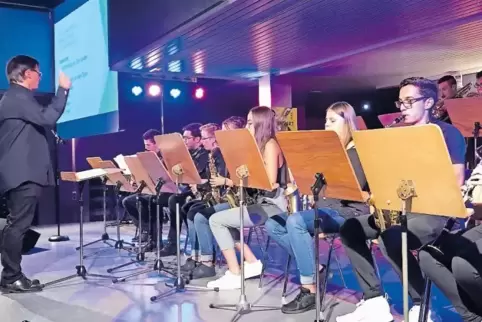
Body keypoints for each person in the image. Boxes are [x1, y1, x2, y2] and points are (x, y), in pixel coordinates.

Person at [336, 77, 466, 322]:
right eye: (400, 102)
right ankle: (374, 299)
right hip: (398, 209)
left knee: (391, 237)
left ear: (428, 102)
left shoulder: (448, 133)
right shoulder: (395, 134)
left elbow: (456, 180)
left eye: (409, 101)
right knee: (350, 228)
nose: (402, 107)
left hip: (434, 212)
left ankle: (421, 304)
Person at [265, 102, 369, 314]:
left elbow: (349, 189)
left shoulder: (357, 151)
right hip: (325, 208)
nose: (326, 125)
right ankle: (316, 269)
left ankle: (310, 289)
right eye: (325, 120)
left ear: (347, 122)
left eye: (332, 121)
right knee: (273, 224)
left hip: (348, 212)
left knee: (295, 221)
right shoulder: (327, 150)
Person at [0, 55, 71, 292]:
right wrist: (63, 90)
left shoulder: (14, 98)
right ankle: (11, 277)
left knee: (16, 225)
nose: (40, 77)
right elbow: (48, 117)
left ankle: (11, 275)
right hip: (22, 173)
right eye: (38, 73)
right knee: (17, 226)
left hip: (18, 172)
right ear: (27, 73)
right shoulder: (18, 96)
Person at [207, 106, 288, 290]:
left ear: (261, 124)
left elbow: (269, 182)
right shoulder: (258, 146)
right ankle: (251, 262)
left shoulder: (270, 145)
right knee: (225, 220)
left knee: (216, 220)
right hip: (259, 204)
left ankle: (235, 273)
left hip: (271, 207)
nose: (247, 127)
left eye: (250, 123)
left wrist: (240, 177)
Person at [182, 117, 247, 279]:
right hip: (224, 197)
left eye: (205, 138)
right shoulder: (217, 154)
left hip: (238, 200)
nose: (203, 142)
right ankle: (197, 256)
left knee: (201, 217)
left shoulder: (232, 154)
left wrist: (223, 182)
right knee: (191, 211)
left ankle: (207, 262)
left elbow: (242, 182)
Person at [159, 123, 209, 256]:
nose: (184, 141)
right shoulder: (191, 153)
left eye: (187, 138)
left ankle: (187, 242)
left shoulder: (204, 154)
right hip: (188, 189)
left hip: (201, 191)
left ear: (197, 139)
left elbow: (194, 174)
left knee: (175, 200)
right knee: (163, 199)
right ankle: (170, 241)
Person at [122, 129, 176, 248]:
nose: (146, 148)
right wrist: (136, 180)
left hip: (168, 191)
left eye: (148, 145)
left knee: (152, 200)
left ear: (157, 144)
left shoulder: (168, 156)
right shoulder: (148, 157)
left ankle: (155, 240)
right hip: (154, 190)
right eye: (145, 145)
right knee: (129, 201)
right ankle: (146, 231)